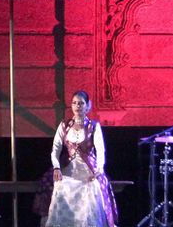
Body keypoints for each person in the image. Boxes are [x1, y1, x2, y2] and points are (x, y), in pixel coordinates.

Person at [45, 90, 118, 227]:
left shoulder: (93, 127)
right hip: (69, 169)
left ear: (87, 106)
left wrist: (99, 169)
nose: (78, 106)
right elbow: (56, 149)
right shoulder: (64, 126)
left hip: (89, 170)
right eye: (74, 103)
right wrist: (56, 167)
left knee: (91, 192)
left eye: (81, 103)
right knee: (60, 186)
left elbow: (100, 150)